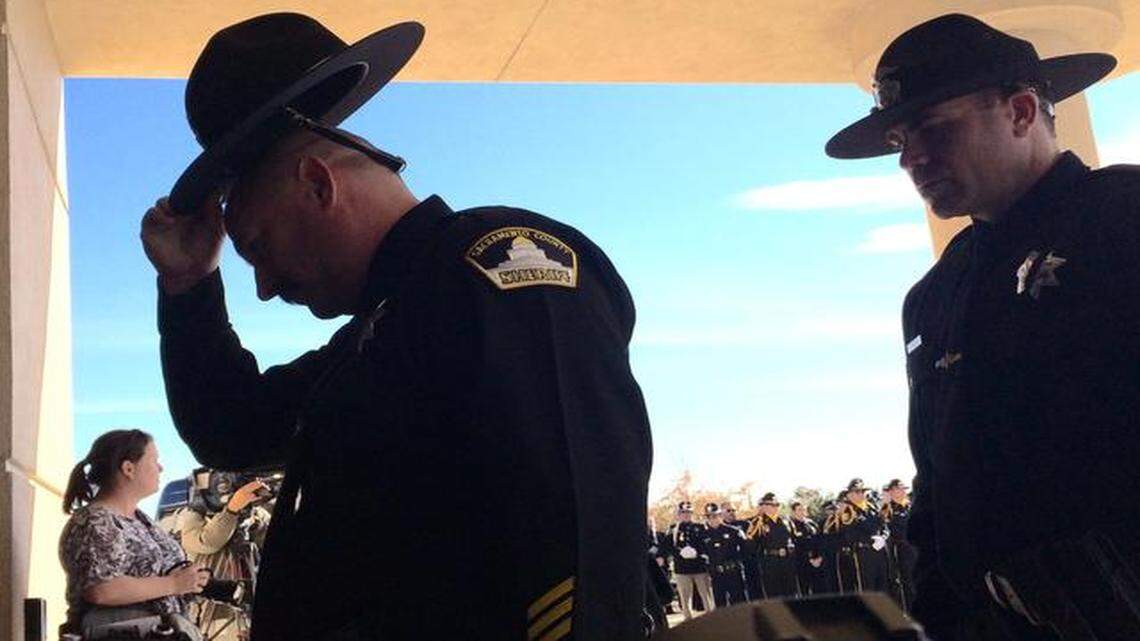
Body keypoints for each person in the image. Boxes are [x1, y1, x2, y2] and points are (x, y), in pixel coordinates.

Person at [139, 12, 653, 641]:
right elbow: (232, 427)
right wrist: (188, 286)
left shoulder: (498, 267)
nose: (266, 287)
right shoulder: (380, 330)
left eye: (260, 249)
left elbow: (575, 527)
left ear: (318, 184)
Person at [826, 13, 1140, 640]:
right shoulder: (934, 296)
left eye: (934, 130)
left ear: (1022, 112)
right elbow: (938, 486)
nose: (910, 159)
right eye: (900, 142)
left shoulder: (1123, 219)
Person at [58, 429, 209, 639]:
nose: (160, 467)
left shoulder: (141, 520)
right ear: (128, 468)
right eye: (154, 460)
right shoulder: (96, 521)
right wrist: (174, 584)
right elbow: (101, 588)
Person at [174, 470, 272, 640]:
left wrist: (252, 521)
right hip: (211, 612)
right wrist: (232, 510)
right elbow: (207, 542)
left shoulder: (256, 514)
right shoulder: (189, 516)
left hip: (246, 607)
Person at [824, 479, 889, 594]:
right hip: (862, 553)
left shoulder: (872, 507)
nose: (861, 494)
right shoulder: (848, 511)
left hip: (879, 551)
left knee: (882, 586)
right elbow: (850, 534)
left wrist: (883, 537)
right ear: (849, 494)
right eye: (857, 491)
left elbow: (883, 525)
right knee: (867, 589)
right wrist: (871, 541)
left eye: (862, 491)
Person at [667, 501, 715, 620]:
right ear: (678, 514)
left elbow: (707, 544)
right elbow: (667, 546)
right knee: (685, 597)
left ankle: (712, 618)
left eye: (688, 512)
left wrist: (698, 552)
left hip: (699, 567)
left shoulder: (700, 527)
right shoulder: (674, 530)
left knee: (706, 595)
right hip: (682, 568)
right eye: (683, 512)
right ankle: (688, 619)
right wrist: (677, 553)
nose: (686, 515)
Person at [747, 493, 799, 598]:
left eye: (777, 505)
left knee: (791, 592)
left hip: (787, 560)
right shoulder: (758, 523)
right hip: (770, 562)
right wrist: (761, 560)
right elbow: (751, 545)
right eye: (772, 505)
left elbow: (794, 539)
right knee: (774, 594)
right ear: (765, 506)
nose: (775, 507)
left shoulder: (786, 521)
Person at [699, 503, 749, 607]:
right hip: (716, 574)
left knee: (739, 603)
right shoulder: (702, 535)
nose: (712, 519)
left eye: (715, 515)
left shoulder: (733, 531)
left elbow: (745, 550)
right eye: (709, 516)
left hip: (733, 572)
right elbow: (701, 553)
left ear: (720, 515)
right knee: (720, 604)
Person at [880, 479, 916, 612]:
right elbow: (886, 528)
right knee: (907, 583)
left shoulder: (910, 506)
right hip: (901, 550)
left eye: (902, 489)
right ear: (891, 492)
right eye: (897, 489)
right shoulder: (887, 509)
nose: (901, 491)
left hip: (916, 549)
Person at [724, 502, 761, 601]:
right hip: (733, 565)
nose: (732, 512)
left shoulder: (745, 524)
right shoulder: (721, 527)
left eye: (733, 510)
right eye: (728, 510)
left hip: (749, 562)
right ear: (722, 512)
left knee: (755, 590)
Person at [788, 501, 823, 596]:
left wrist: (819, 557)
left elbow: (819, 540)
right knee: (804, 591)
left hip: (817, 562)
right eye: (799, 510)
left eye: (804, 509)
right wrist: (809, 559)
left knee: (818, 590)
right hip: (802, 563)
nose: (803, 511)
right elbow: (795, 545)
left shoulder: (811, 523)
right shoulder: (791, 525)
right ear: (793, 512)